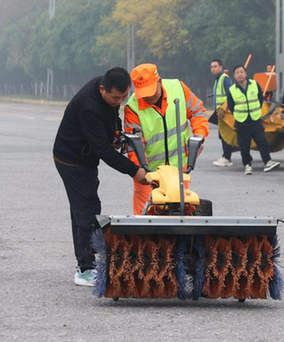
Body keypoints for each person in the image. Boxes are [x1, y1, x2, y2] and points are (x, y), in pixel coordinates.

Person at [53, 68, 149, 287]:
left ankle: (87, 260)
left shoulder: (107, 92)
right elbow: (104, 152)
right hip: (71, 160)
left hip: (85, 158)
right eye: (115, 98)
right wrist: (135, 171)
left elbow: (112, 119)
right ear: (102, 89)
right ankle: (85, 269)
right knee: (86, 210)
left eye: (124, 98)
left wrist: (115, 134)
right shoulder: (89, 107)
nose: (119, 102)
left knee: (83, 209)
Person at [124, 63, 209, 215]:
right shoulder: (133, 107)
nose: (148, 96)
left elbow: (197, 111)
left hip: (179, 171)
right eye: (143, 92)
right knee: (145, 220)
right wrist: (139, 170)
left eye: (150, 90)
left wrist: (199, 135)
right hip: (148, 175)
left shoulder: (179, 89)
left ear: (159, 81)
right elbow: (133, 145)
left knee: (181, 214)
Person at [225, 65, 281, 175]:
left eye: (241, 72)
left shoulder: (254, 84)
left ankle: (267, 162)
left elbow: (260, 99)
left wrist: (254, 112)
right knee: (244, 145)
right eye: (237, 73)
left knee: (262, 141)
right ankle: (247, 165)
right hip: (242, 122)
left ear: (245, 73)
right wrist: (239, 115)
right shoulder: (232, 90)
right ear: (234, 75)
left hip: (255, 119)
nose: (240, 74)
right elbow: (231, 106)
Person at [210, 59, 234, 167]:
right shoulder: (217, 80)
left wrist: (225, 108)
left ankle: (227, 158)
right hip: (221, 113)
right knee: (223, 135)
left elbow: (230, 95)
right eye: (212, 67)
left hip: (225, 113)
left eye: (215, 66)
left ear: (221, 67)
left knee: (225, 136)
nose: (213, 68)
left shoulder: (224, 79)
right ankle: (225, 156)